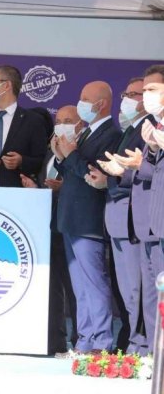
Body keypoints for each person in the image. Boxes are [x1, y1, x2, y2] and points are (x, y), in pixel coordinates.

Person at [53, 81, 121, 354]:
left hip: (89, 219)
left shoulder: (111, 134)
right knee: (80, 285)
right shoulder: (88, 133)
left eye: (85, 98)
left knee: (93, 282)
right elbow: (73, 171)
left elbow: (92, 173)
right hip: (72, 217)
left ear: (101, 103)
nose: (80, 103)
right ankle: (85, 339)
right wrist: (61, 156)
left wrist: (71, 154)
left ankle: (101, 342)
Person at [94, 77, 152, 355]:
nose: (128, 99)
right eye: (126, 93)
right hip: (119, 219)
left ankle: (142, 348)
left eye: (136, 94)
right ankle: (135, 345)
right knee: (128, 291)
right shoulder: (131, 129)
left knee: (137, 292)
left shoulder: (148, 128)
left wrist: (116, 176)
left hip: (135, 220)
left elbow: (145, 173)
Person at [21, 105, 79, 357]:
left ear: (80, 125)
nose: (62, 124)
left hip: (72, 229)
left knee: (75, 289)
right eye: (59, 120)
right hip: (47, 229)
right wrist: (36, 189)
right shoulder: (50, 152)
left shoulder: (80, 151)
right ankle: (54, 342)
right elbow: (47, 182)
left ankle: (81, 341)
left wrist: (63, 188)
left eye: (68, 120)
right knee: (51, 287)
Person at [0, 65, 47, 187]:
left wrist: (21, 161)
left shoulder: (33, 121)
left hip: (18, 191)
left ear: (7, 85)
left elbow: (42, 160)